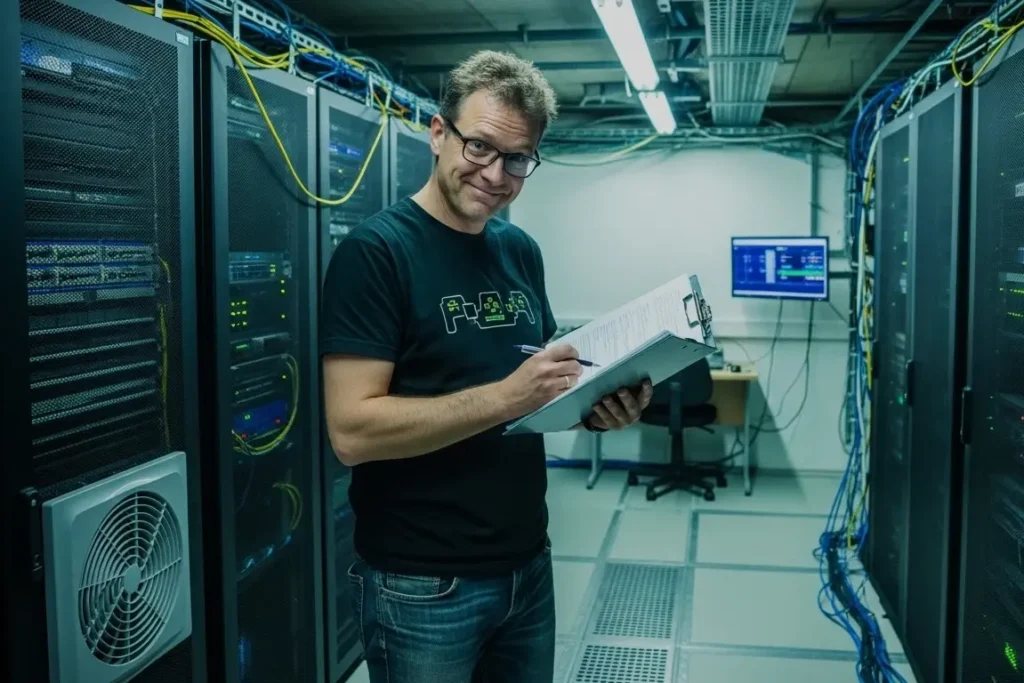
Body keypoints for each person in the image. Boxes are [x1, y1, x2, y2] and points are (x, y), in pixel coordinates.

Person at [320, 50, 653, 683]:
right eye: (479, 147)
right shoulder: (377, 254)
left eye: (518, 159)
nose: (496, 175)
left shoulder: (518, 249)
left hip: (527, 563)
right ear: (440, 133)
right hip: (423, 584)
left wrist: (597, 406)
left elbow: (543, 389)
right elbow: (352, 433)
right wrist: (505, 399)